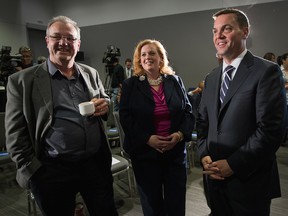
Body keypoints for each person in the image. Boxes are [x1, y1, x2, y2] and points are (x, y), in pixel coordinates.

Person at [5, 15, 118, 216]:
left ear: (78, 43)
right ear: (47, 41)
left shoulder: (90, 73)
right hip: (51, 172)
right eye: (57, 37)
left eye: (70, 38)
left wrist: (105, 107)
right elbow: (15, 135)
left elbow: (105, 106)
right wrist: (34, 172)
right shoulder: (22, 81)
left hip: (94, 165)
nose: (63, 43)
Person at [196, 8, 287, 216]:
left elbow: (271, 130)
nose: (218, 35)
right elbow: (202, 123)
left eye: (226, 29)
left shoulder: (266, 71)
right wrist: (204, 155)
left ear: (245, 32)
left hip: (249, 182)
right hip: (214, 181)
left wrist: (233, 164)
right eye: (214, 31)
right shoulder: (211, 78)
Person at [119, 39, 194, 216]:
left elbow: (188, 112)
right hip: (145, 154)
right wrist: (147, 138)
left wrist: (180, 134)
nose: (147, 57)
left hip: (174, 152)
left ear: (161, 58)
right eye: (143, 54)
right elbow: (126, 118)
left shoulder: (175, 81)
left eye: (152, 53)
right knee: (151, 204)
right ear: (139, 59)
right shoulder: (130, 85)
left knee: (176, 203)